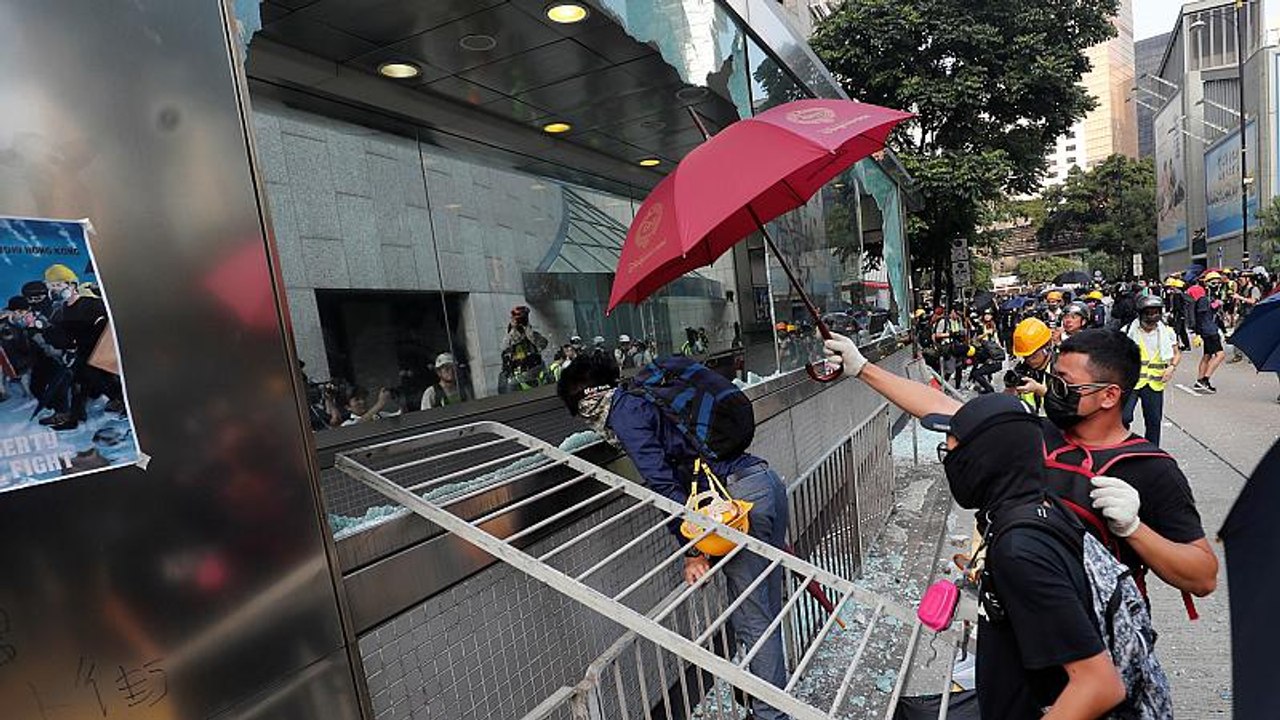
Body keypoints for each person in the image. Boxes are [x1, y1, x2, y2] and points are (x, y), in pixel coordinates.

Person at [823, 328, 1218, 606]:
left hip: (1097, 640)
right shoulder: (1034, 435)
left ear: (1109, 396)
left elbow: (1202, 575)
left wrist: (1135, 529)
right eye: (1053, 379)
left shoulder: (1149, 469)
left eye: (1064, 384)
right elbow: (947, 410)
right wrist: (862, 368)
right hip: (1021, 623)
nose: (1052, 391)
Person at [557, 352, 792, 720]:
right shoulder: (646, 396)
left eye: (577, 407)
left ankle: (770, 714)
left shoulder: (626, 413)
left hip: (736, 505)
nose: (582, 417)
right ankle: (768, 697)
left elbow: (662, 485)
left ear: (587, 397)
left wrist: (692, 549)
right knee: (764, 605)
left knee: (753, 615)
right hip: (762, 483)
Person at [925, 394, 1128, 719]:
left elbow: (1099, 683)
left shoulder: (1019, 550)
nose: (950, 465)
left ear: (982, 460)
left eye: (952, 455)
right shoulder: (1039, 505)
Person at [1121, 296, 1180, 446]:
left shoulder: (1167, 332)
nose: (1152, 318)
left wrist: (1171, 368)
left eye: (1156, 313)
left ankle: (1151, 453)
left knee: (1153, 422)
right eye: (1148, 313)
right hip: (1131, 382)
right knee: (1124, 417)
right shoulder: (1128, 331)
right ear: (1140, 314)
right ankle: (1122, 445)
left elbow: (1176, 353)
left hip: (1155, 382)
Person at [1008, 317, 1054, 413]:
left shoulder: (1061, 369)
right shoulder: (1022, 370)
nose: (1028, 361)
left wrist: (1038, 389)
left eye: (1033, 356)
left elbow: (1068, 405)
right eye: (1025, 357)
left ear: (1047, 346)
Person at [500, 305, 550, 393]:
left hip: (534, 373)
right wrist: (513, 330)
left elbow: (543, 344)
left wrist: (528, 329)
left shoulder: (532, 335)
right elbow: (504, 347)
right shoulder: (510, 337)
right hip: (517, 377)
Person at [1188, 282, 1224, 393]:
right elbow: (1203, 315)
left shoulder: (1196, 302)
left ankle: (1199, 380)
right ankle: (1205, 380)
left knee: (1207, 355)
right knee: (1220, 355)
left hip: (1205, 331)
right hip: (1210, 331)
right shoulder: (1203, 300)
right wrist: (1215, 305)